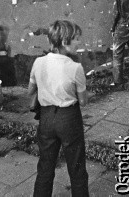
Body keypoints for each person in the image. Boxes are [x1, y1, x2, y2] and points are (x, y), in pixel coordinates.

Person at [28, 20, 89, 197]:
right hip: (69, 119)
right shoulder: (75, 68)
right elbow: (83, 102)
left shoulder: (38, 63)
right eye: (76, 39)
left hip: (46, 118)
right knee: (77, 167)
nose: (79, 42)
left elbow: (31, 90)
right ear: (64, 42)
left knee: (45, 167)